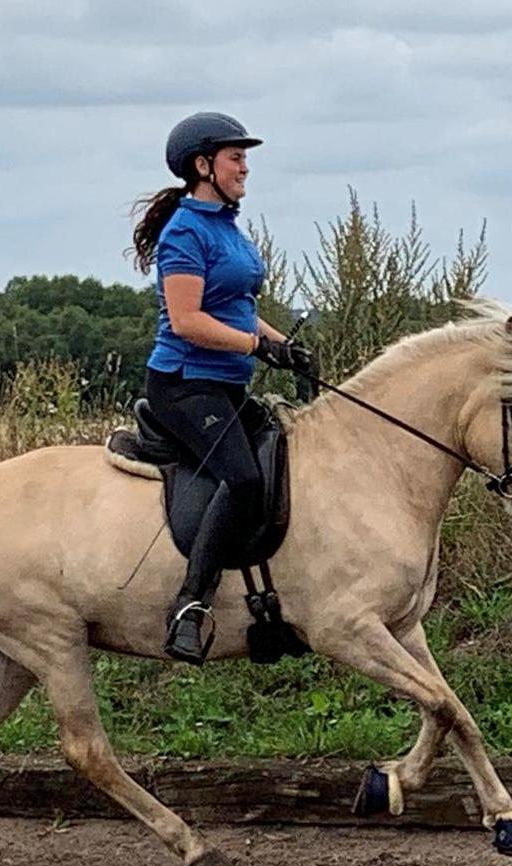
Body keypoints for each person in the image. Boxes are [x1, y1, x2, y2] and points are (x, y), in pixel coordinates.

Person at [130, 111, 311, 665]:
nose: (245, 167)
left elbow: (235, 310)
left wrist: (284, 347)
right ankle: (192, 606)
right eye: (236, 157)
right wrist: (257, 349)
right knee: (243, 477)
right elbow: (187, 322)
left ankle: (268, 608)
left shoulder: (226, 226)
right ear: (202, 165)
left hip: (227, 385)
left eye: (245, 158)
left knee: (286, 462)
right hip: (185, 384)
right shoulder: (184, 231)